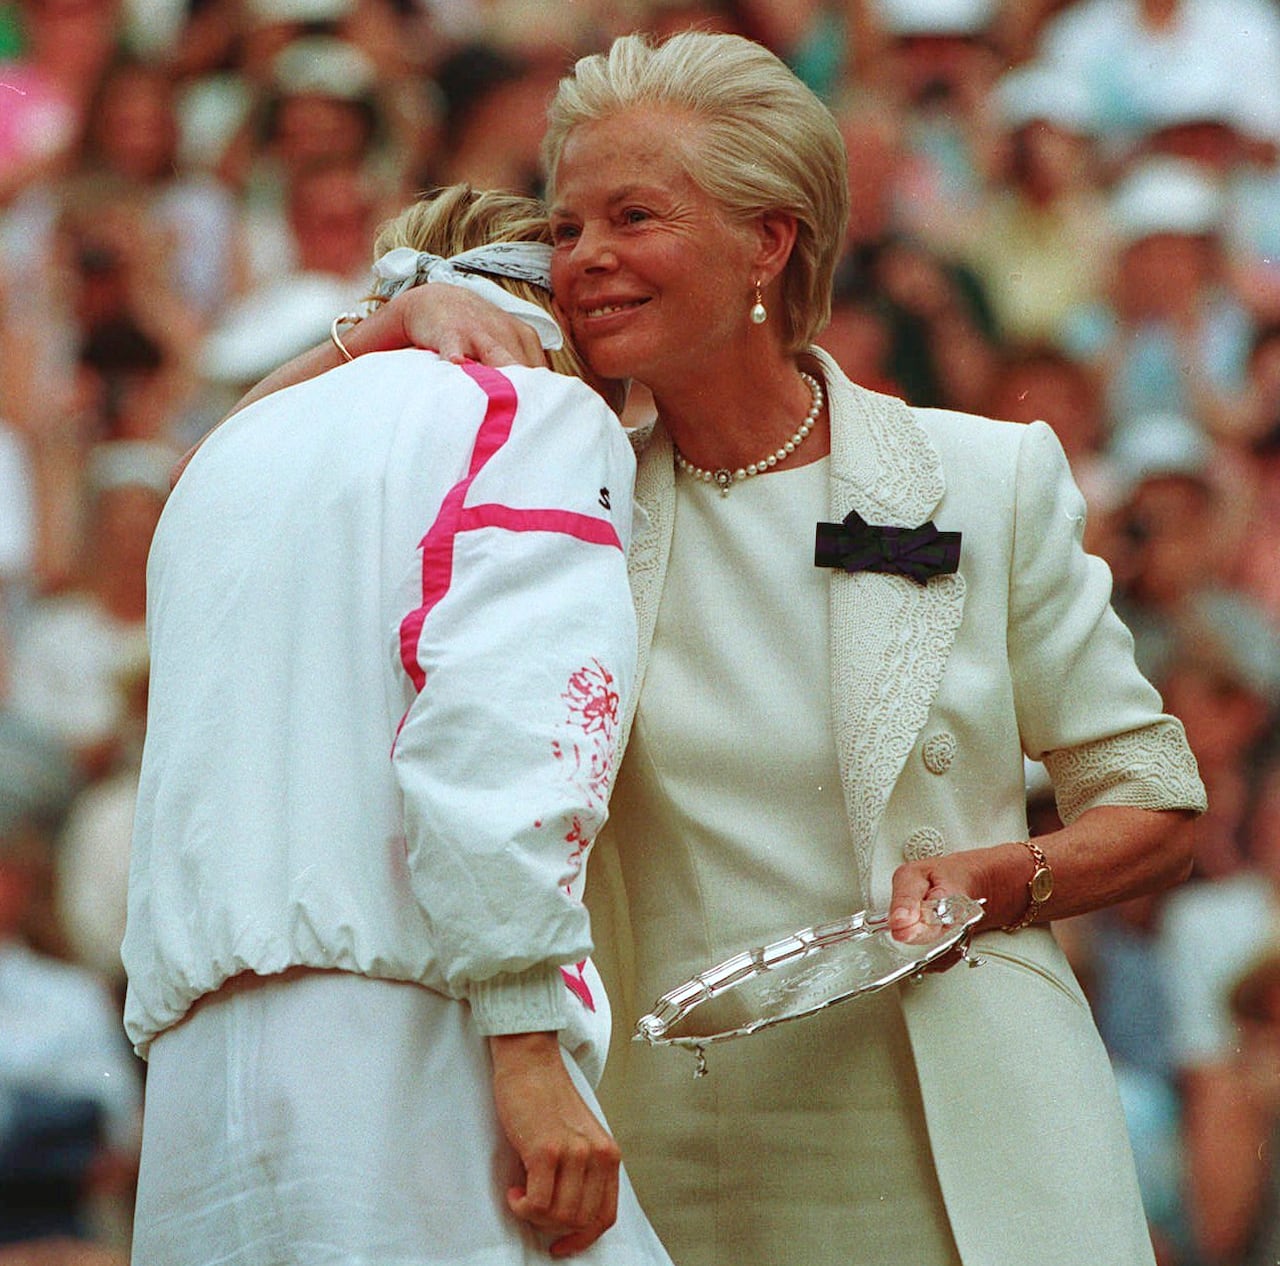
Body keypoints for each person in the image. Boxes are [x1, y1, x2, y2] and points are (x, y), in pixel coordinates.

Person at [237, 31, 1208, 1266]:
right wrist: (378, 327)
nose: (585, 257)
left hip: (975, 1145)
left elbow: (1155, 805)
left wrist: (994, 879)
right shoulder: (564, 512)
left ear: (768, 240)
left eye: (632, 216)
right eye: (568, 226)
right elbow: (234, 492)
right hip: (673, 1167)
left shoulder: (981, 477)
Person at [120, 183, 675, 1266]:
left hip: (197, 1090)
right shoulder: (533, 407)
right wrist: (527, 1049)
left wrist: (368, 332)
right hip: (413, 1044)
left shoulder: (230, 460)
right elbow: (502, 725)